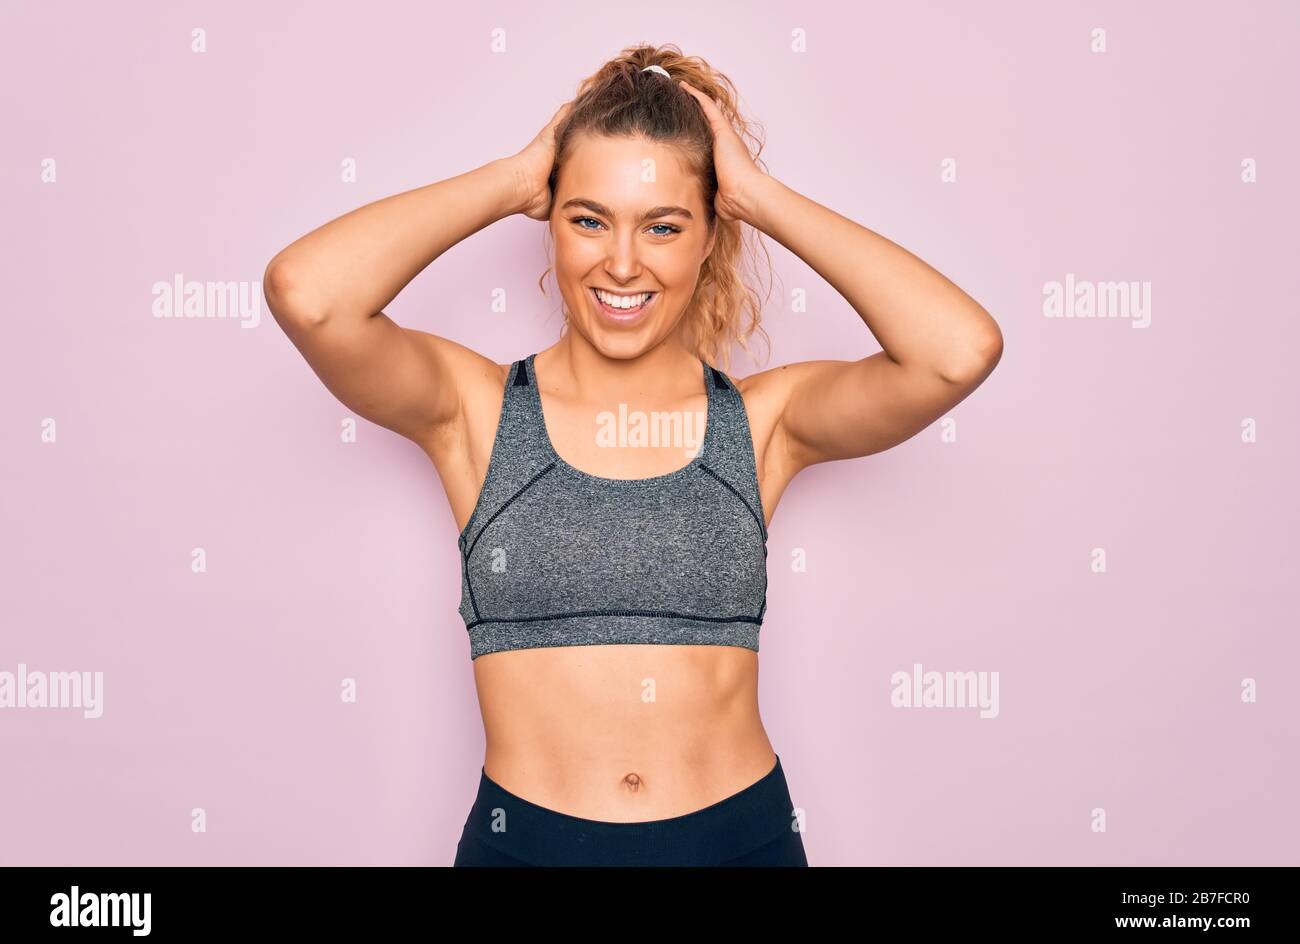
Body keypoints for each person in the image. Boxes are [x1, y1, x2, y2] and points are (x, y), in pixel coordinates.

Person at [263, 43, 1002, 866]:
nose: (621, 262)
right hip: (527, 847)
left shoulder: (765, 423)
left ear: (709, 236)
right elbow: (309, 294)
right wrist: (512, 180)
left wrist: (761, 195)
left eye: (663, 225)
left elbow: (957, 351)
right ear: (551, 221)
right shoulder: (472, 412)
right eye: (588, 219)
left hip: (739, 843)